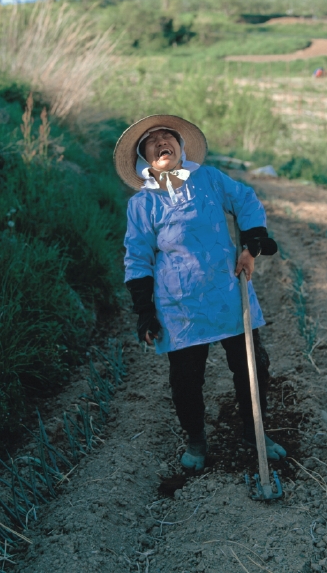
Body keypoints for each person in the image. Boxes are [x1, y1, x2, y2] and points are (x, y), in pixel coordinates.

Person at [114, 115, 286, 471]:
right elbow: (138, 257)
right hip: (179, 306)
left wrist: (251, 246)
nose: (162, 143)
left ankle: (256, 433)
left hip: (226, 291)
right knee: (186, 379)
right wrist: (145, 310)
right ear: (144, 156)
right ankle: (196, 439)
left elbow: (246, 201)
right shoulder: (141, 206)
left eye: (168, 137)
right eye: (152, 141)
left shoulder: (207, 179)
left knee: (252, 365)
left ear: (180, 146)